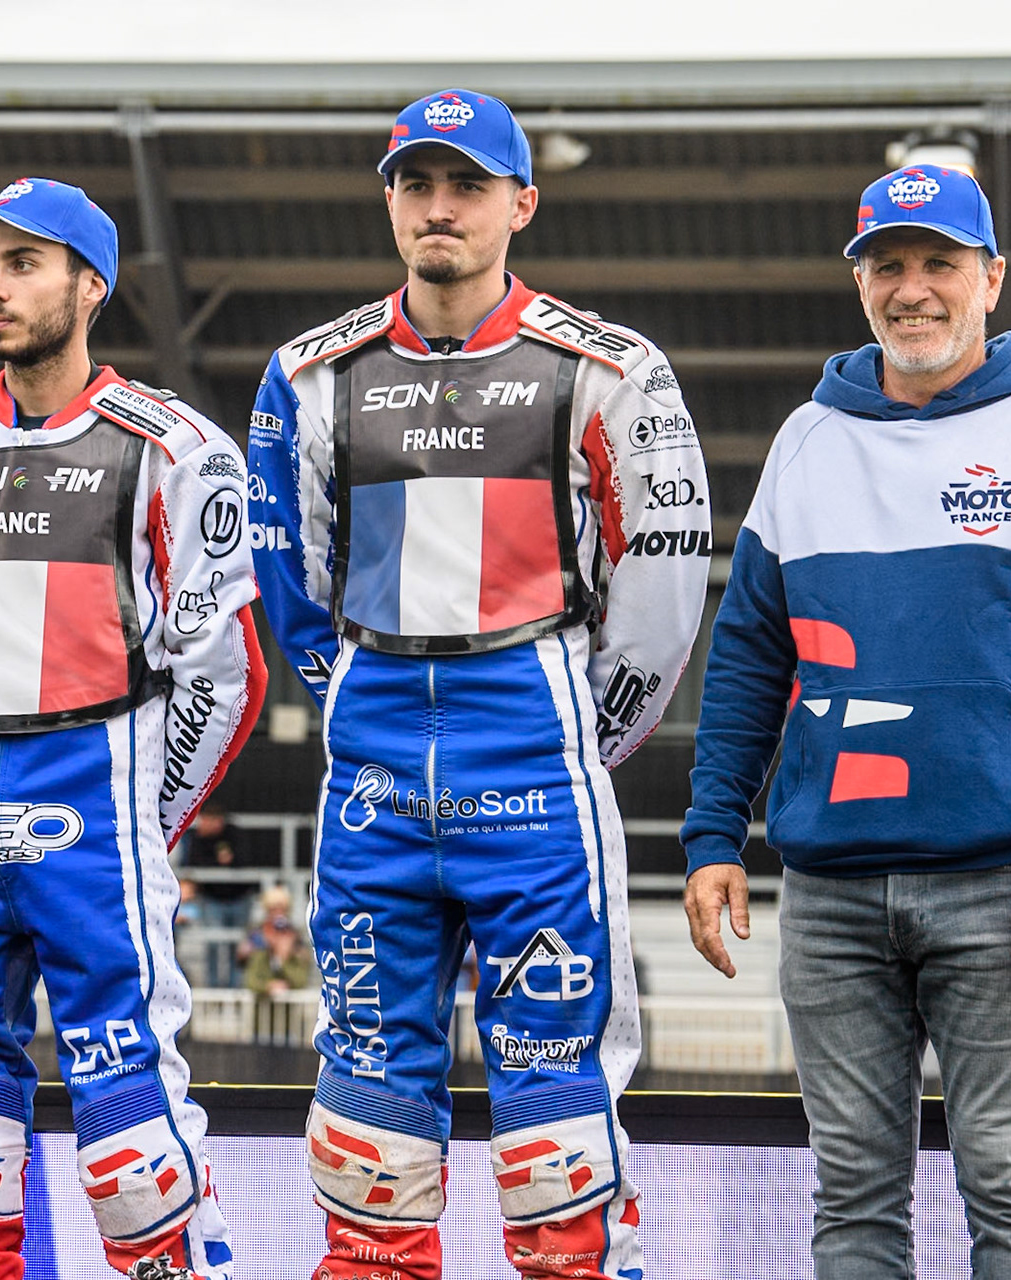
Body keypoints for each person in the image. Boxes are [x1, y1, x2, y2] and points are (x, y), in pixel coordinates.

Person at [249, 90, 710, 1280]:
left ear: (522, 202)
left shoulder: (613, 368)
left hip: (538, 762)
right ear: (390, 200)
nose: (439, 207)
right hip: (372, 775)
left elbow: (660, 597)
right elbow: (285, 581)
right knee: (363, 1123)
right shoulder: (306, 374)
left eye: (466, 185)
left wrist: (570, 735)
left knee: (558, 1138)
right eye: (416, 183)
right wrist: (360, 689)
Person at [681, 165, 1011, 1279]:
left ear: (991, 276)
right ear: (861, 284)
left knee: (1009, 1184)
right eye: (888, 264)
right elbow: (748, 651)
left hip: (1001, 886)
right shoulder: (806, 441)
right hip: (831, 894)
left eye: (940, 261)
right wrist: (710, 836)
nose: (914, 288)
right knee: (852, 1204)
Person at [0, 176, 267, 1279]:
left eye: (23, 264)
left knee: (134, 1143)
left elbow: (225, 667)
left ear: (89, 285)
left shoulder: (174, 444)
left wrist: (141, 810)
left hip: (98, 806)